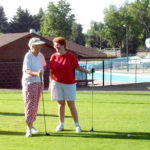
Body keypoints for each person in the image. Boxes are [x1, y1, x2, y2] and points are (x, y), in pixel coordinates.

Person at [49, 37, 91, 133]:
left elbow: (77, 67)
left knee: (71, 104)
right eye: (55, 45)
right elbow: (51, 72)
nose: (56, 46)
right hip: (57, 83)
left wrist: (87, 72)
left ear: (63, 45)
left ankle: (77, 125)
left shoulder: (70, 56)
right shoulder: (53, 56)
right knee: (60, 104)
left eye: (58, 44)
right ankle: (61, 124)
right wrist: (50, 84)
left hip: (69, 84)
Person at [22, 37, 47, 137]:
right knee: (30, 105)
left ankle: (31, 126)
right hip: (30, 82)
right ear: (33, 46)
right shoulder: (28, 55)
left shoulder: (41, 55)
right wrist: (36, 74)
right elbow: (26, 70)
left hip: (39, 82)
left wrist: (40, 73)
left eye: (40, 44)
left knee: (35, 105)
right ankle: (28, 128)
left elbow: (44, 65)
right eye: (38, 45)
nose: (40, 46)